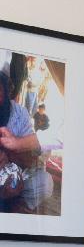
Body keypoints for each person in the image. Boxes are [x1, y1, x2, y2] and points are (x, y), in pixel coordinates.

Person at [0, 70, 53, 212]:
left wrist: (9, 157)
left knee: (45, 182)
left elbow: (30, 157)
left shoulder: (19, 113)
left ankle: (17, 209)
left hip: (14, 174)